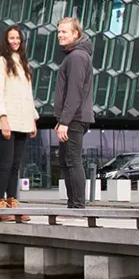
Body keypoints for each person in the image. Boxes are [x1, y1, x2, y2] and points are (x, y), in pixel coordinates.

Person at [0, 25, 38, 221]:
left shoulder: (24, 63)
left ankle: (13, 203)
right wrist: (3, 119)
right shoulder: (0, 62)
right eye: (12, 38)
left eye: (18, 38)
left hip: (23, 120)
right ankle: (0, 207)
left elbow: (28, 94)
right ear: (5, 40)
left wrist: (33, 119)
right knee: (6, 165)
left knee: (16, 166)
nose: (15, 41)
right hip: (6, 121)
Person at [53, 17, 96, 209]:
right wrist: (62, 120)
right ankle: (73, 205)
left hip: (75, 119)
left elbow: (74, 93)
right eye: (59, 32)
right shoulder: (74, 56)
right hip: (72, 118)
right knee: (66, 161)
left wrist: (65, 121)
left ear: (75, 34)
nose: (60, 35)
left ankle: (78, 206)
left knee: (72, 161)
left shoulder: (77, 56)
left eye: (65, 32)